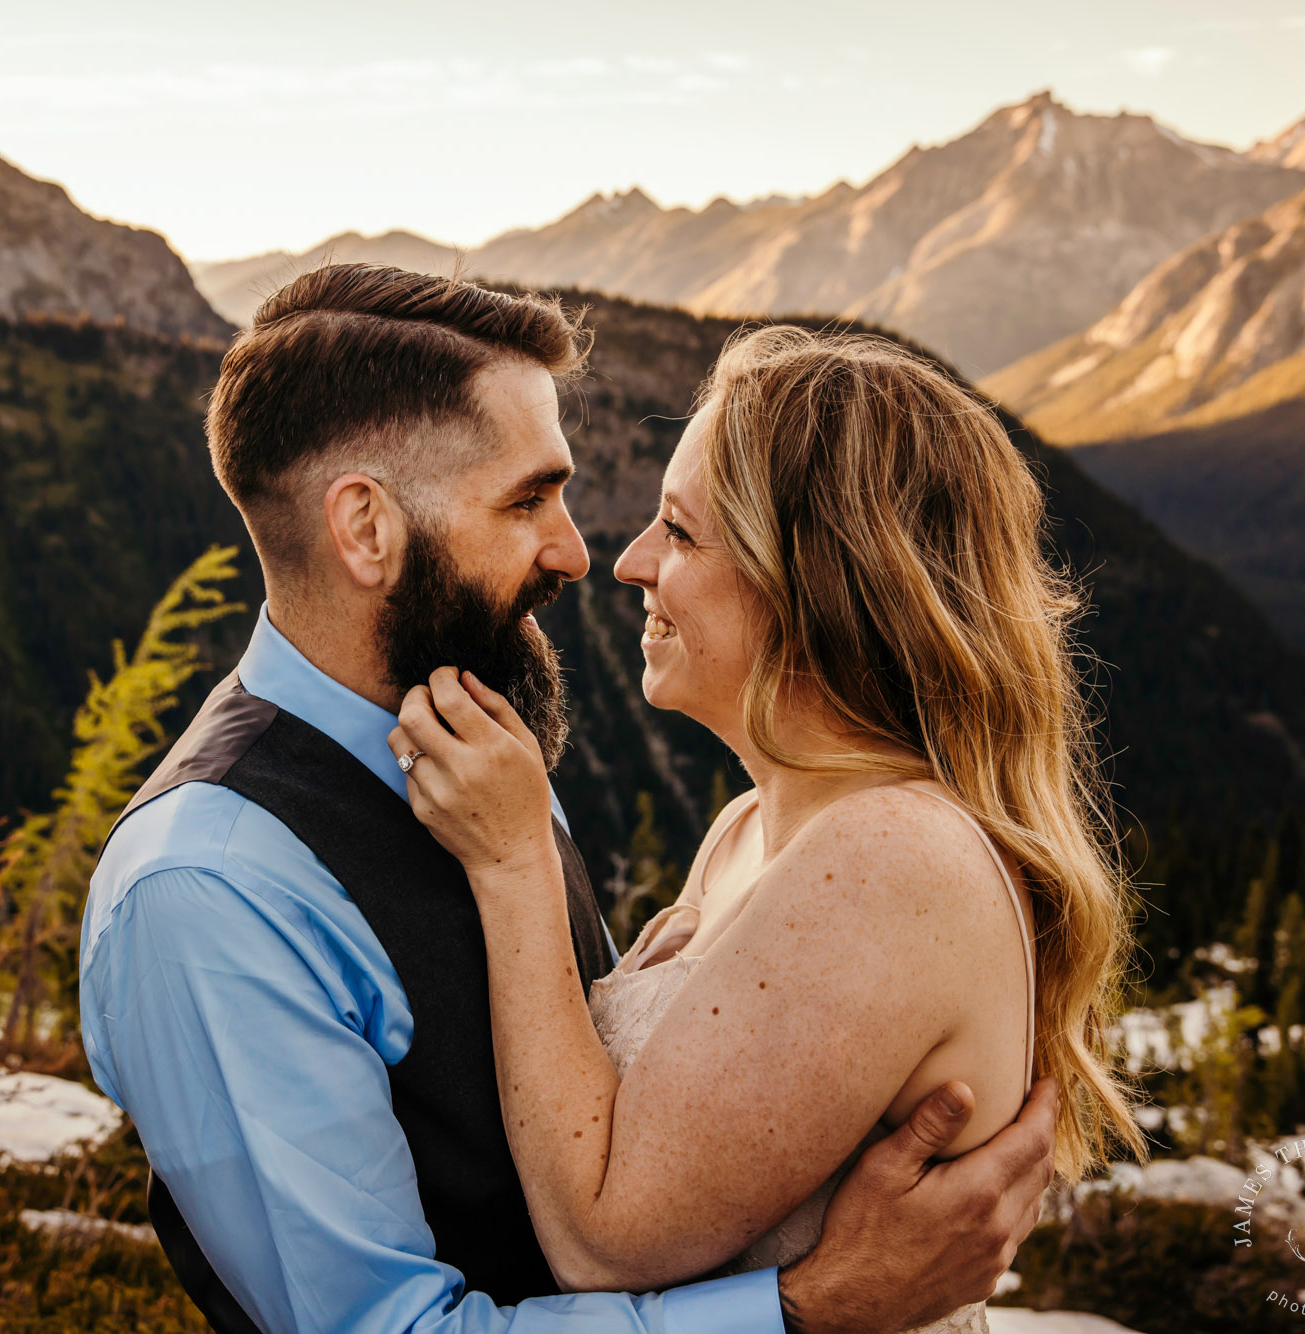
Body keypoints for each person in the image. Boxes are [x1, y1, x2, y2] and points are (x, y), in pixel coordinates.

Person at [78, 266, 1061, 1334]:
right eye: (526, 498)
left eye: (670, 529)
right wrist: (807, 1307)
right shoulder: (208, 890)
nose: (582, 551)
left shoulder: (481, 757)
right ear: (364, 527)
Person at [391, 325, 1145, 1332]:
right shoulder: (755, 826)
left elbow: (602, 1237)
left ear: (816, 583)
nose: (630, 561)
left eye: (682, 530)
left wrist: (512, 855)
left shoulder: (889, 856)